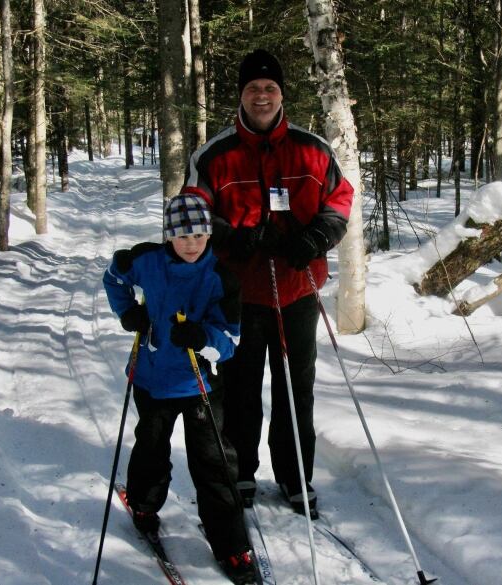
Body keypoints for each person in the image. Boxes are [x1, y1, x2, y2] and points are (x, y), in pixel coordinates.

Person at [184, 49, 354, 516]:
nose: (262, 96)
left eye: (270, 88)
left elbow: (340, 200)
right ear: (241, 95)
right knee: (239, 388)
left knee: (295, 388)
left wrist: (317, 236)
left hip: (297, 289)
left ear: (281, 94)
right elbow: (192, 212)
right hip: (237, 294)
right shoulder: (213, 154)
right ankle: (239, 471)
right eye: (253, 89)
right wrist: (232, 238)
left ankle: (295, 475)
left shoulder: (312, 148)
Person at [102, 193, 257, 584]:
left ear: (209, 236)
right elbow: (114, 276)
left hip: (200, 382)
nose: (192, 244)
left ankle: (232, 544)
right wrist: (129, 312)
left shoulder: (221, 278)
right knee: (152, 447)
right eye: (183, 236)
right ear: (169, 235)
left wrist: (202, 336)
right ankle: (143, 505)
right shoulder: (146, 260)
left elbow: (230, 343)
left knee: (214, 461)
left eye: (200, 236)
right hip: (153, 378)